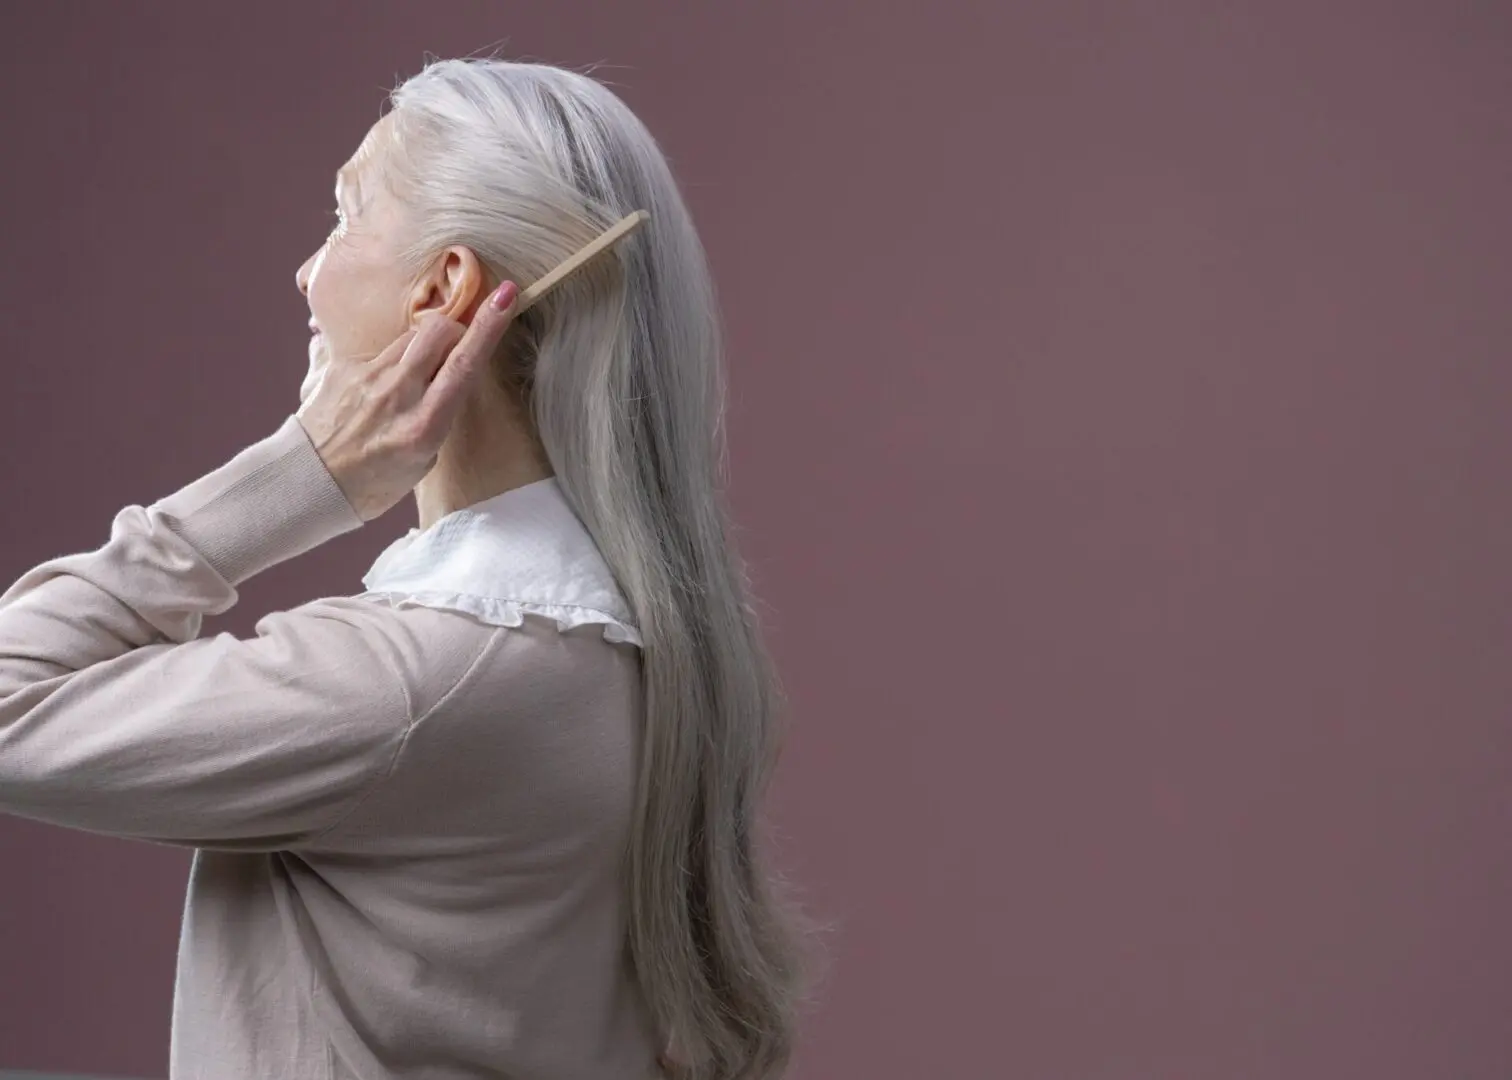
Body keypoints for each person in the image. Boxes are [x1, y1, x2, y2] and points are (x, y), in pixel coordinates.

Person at [0, 56, 829, 1080]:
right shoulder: (641, 655)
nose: (308, 271)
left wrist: (298, 477)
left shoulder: (408, 688)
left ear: (445, 288)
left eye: (346, 214)